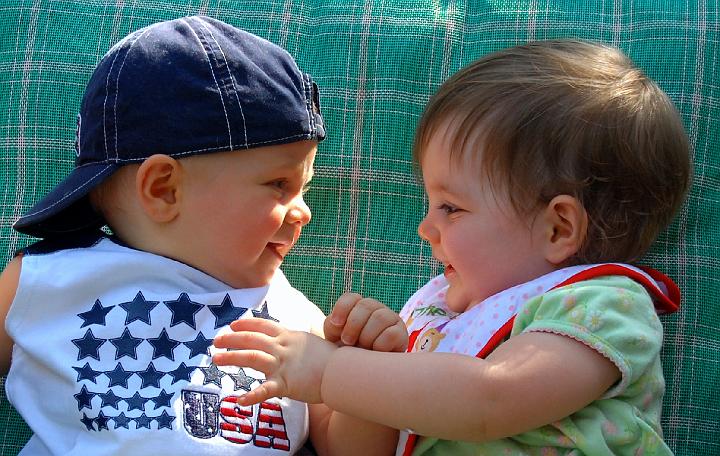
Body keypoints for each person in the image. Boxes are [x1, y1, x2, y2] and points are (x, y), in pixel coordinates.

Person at [212, 39, 692, 455]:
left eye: (452, 208)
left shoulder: (602, 305)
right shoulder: (437, 316)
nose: (426, 228)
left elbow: (491, 400)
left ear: (558, 228)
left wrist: (332, 372)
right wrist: (373, 368)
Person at [0, 16, 406, 455]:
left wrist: (368, 372)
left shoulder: (295, 316)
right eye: (279, 185)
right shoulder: (48, 277)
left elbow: (347, 449)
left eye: (303, 188)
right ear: (164, 189)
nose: (303, 212)